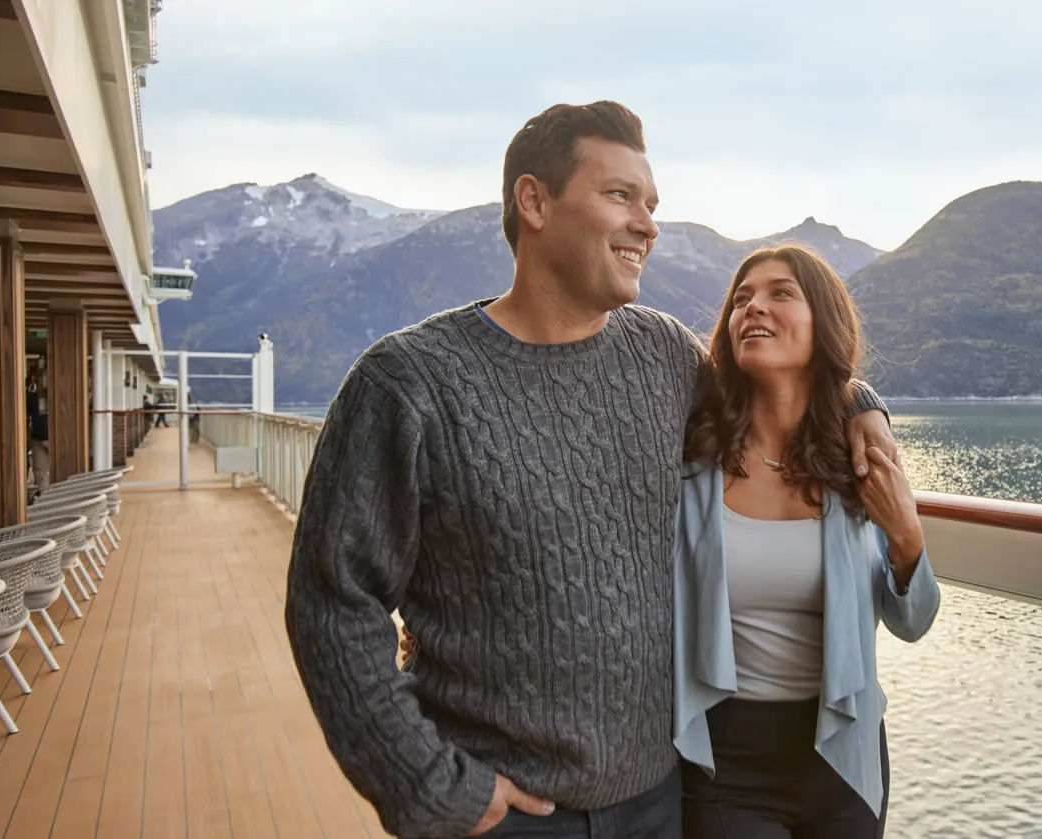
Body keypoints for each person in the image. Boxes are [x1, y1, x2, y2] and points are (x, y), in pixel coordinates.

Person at [283, 101, 898, 839]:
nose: (648, 225)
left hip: (660, 803)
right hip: (502, 816)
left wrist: (861, 404)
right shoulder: (409, 383)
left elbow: (782, 390)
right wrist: (430, 785)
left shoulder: (664, 357)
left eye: (651, 205)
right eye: (619, 196)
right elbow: (331, 602)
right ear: (534, 202)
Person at [673, 245, 939, 838]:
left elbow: (913, 622)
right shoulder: (691, 459)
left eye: (780, 293)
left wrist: (906, 536)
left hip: (845, 754)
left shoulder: (858, 465)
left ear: (825, 324)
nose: (753, 307)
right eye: (741, 299)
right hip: (725, 762)